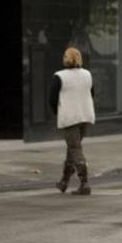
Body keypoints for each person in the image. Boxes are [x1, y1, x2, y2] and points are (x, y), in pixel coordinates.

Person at [49, 47, 96, 196]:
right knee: (73, 148)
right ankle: (64, 181)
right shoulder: (87, 74)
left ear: (65, 58)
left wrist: (59, 112)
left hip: (70, 118)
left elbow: (52, 99)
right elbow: (92, 93)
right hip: (85, 116)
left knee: (75, 149)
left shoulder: (59, 76)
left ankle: (84, 182)